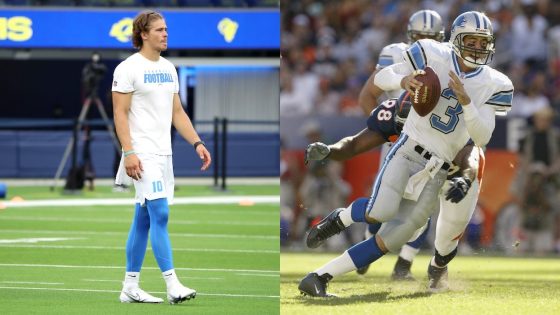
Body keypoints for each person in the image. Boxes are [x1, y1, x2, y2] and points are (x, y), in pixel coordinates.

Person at [299, 11, 513, 297]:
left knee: (398, 234)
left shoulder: (494, 82)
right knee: (381, 212)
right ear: (455, 39)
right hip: (409, 151)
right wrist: (403, 81)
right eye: (470, 40)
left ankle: (319, 277)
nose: (477, 47)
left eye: (482, 42)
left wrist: (466, 102)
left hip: (440, 167)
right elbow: (382, 79)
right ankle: (339, 219)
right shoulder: (430, 54)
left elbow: (481, 137)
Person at [112, 10, 211, 304]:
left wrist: (196, 142)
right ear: (143, 34)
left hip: (163, 153)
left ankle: (130, 287)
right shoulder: (127, 68)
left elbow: (176, 112)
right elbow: (120, 113)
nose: (165, 34)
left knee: (143, 219)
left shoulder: (169, 68)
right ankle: (172, 284)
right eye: (159, 30)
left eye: (166, 29)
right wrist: (129, 152)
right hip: (141, 153)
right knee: (160, 213)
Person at [356, 9, 446, 279]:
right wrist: (382, 128)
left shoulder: (447, 59)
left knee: (425, 206)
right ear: (409, 35)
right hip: (398, 137)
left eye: (429, 37)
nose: (423, 41)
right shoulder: (394, 53)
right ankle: (365, 246)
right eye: (419, 36)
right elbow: (369, 94)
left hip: (432, 142)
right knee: (381, 206)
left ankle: (403, 265)